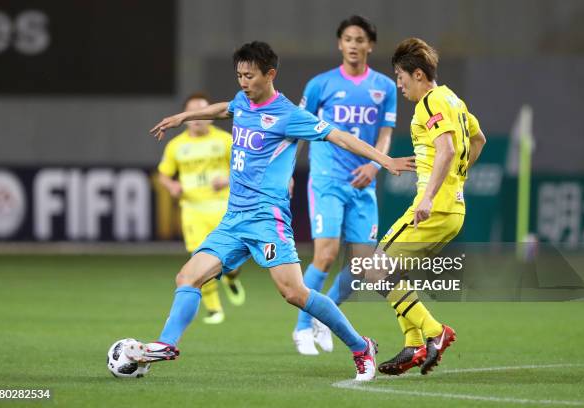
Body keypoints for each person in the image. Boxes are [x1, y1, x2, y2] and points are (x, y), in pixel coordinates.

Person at [141, 41, 415, 381]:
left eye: (250, 76)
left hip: (267, 219)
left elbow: (339, 136)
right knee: (187, 277)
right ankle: (167, 345)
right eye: (239, 75)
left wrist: (384, 159)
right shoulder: (243, 100)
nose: (243, 82)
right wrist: (185, 116)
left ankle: (361, 346)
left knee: (294, 293)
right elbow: (226, 108)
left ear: (270, 74)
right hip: (234, 219)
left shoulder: (289, 116)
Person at [373, 37, 486, 376]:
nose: (399, 83)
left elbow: (447, 150)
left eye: (400, 76)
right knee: (394, 270)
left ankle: (435, 332)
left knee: (375, 267)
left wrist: (429, 196)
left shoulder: (431, 102)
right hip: (453, 209)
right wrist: (458, 181)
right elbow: (478, 139)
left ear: (418, 74)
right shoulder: (455, 100)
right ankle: (412, 344)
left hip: (436, 207)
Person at [293, 15, 397, 355]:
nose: (353, 45)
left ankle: (327, 315)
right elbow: (297, 129)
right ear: (340, 44)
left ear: (370, 45)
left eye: (360, 39)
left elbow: (385, 134)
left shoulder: (385, 87)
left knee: (362, 265)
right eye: (348, 39)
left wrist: (374, 165)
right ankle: (302, 327)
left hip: (363, 182)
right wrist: (288, 172)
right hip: (327, 180)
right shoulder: (320, 85)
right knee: (325, 254)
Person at [157, 92, 246, 325]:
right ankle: (214, 309)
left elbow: (244, 168)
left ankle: (231, 276)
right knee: (198, 256)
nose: (197, 119)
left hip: (223, 206)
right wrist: (172, 185)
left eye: (202, 112)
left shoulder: (226, 140)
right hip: (193, 208)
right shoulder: (176, 145)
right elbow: (164, 174)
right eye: (192, 113)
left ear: (211, 115)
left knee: (227, 257)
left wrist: (227, 179)